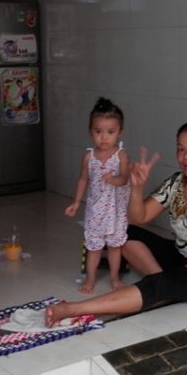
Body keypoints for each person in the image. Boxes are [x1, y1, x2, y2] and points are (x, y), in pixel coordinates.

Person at [48, 120, 187, 326]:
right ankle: (165, 285)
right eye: (181, 149)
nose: (186, 156)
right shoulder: (176, 182)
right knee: (123, 233)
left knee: (157, 283)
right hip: (184, 256)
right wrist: (137, 188)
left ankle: (72, 309)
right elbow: (139, 217)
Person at [65, 98, 131, 295]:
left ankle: (114, 277)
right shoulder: (89, 157)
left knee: (114, 246)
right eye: (98, 131)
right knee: (93, 247)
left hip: (115, 211)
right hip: (95, 210)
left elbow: (124, 179)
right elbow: (83, 180)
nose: (104, 137)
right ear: (90, 131)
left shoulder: (121, 155)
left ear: (119, 132)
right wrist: (76, 202)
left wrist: (114, 179)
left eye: (110, 132)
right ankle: (90, 278)